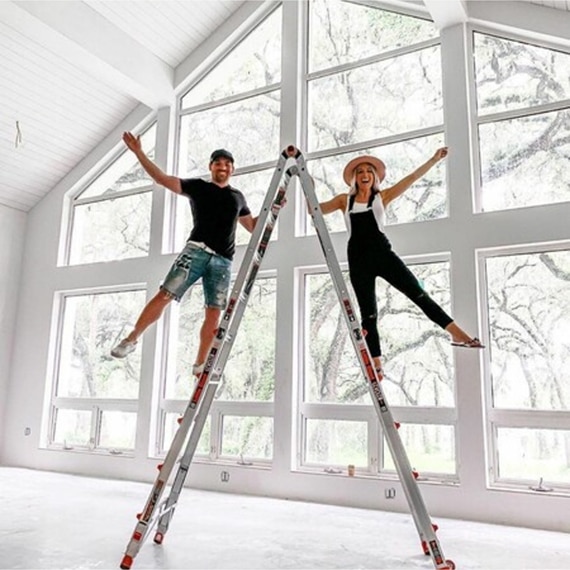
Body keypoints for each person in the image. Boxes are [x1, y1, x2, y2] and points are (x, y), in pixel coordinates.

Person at [317, 147, 483, 377]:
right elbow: (313, 210)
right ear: (354, 177)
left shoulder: (381, 197)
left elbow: (412, 178)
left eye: (369, 170)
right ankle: (376, 364)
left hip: (383, 255)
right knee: (369, 315)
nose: (365, 174)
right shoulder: (343, 201)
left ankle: (456, 333)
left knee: (418, 294)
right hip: (358, 259)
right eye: (360, 171)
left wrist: (433, 159)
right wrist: (305, 189)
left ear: (374, 177)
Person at [111, 132, 259, 377]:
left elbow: (253, 227)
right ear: (211, 167)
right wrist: (138, 152)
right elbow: (161, 179)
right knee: (165, 294)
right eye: (218, 163)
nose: (223, 166)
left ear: (232, 169)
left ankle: (200, 365)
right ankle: (131, 338)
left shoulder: (238, 197)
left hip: (223, 261)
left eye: (227, 163)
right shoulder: (198, 187)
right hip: (196, 251)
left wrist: (276, 210)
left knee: (214, 312)